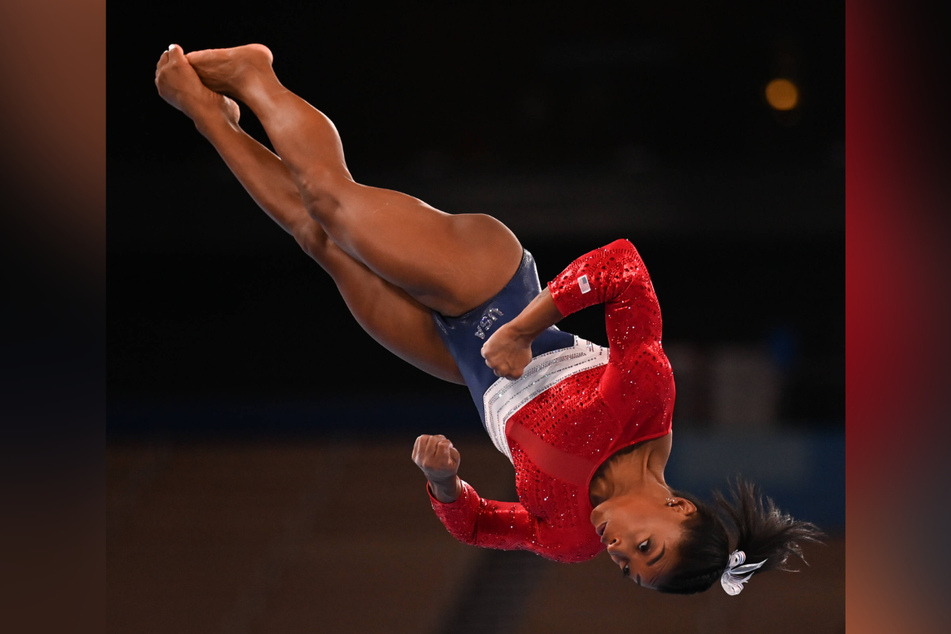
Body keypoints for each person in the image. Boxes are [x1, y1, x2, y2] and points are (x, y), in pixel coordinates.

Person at [154, 43, 822, 595]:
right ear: (680, 507)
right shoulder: (644, 404)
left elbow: (478, 526)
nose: (618, 549)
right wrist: (525, 327)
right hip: (492, 284)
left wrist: (444, 483)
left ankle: (207, 114)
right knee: (330, 201)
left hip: (462, 364)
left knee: (314, 238)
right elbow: (620, 268)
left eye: (628, 567)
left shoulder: (568, 538)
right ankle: (255, 75)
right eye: (645, 545)